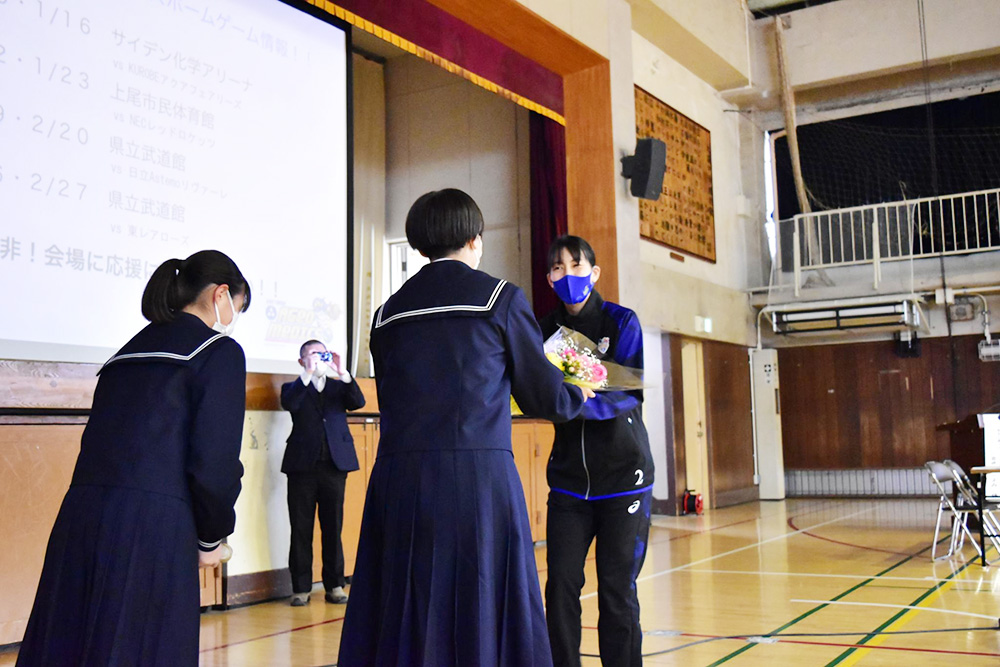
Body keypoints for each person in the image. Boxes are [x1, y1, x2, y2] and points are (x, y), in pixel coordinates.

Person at [338, 189, 593, 666]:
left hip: (399, 480)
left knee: (406, 601)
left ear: (419, 245)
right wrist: (578, 392)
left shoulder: (387, 313)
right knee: (483, 600)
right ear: (475, 239)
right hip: (477, 479)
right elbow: (544, 395)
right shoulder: (499, 298)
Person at [16, 250, 250, 667]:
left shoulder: (125, 353)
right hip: (153, 525)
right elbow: (214, 464)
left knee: (70, 643)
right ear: (220, 295)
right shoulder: (218, 352)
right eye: (236, 307)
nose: (230, 319)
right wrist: (212, 538)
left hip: (81, 517)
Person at [539, 235, 654, 667]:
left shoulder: (621, 322)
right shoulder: (543, 330)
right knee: (560, 588)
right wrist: (572, 395)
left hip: (624, 480)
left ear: (595, 271)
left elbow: (627, 389)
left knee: (616, 591)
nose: (567, 275)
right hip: (569, 484)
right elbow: (538, 392)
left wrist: (574, 398)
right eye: (557, 268)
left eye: (576, 266)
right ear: (549, 278)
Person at [281, 340, 366, 606]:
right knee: (300, 528)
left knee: (333, 527)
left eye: (321, 353)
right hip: (301, 467)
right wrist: (306, 373)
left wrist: (342, 371)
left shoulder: (338, 387)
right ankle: (301, 588)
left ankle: (335, 585)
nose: (317, 359)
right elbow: (290, 403)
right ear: (301, 360)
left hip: (334, 465)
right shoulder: (293, 388)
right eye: (311, 355)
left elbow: (358, 402)